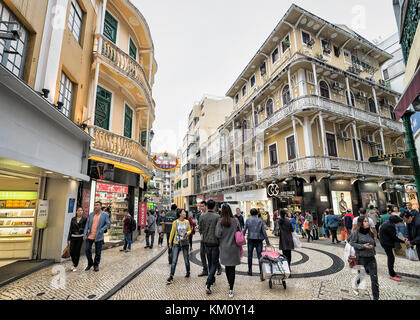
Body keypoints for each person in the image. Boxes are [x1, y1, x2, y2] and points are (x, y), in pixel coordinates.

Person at [349, 216, 379, 300]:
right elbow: (351, 242)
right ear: (361, 223)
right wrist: (363, 246)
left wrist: (371, 245)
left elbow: (373, 243)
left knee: (374, 279)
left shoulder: (370, 232)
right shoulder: (356, 233)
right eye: (365, 221)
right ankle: (355, 285)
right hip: (361, 258)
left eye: (368, 221)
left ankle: (376, 298)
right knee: (361, 276)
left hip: (372, 258)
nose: (368, 223)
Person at [215, 204, 241, 298]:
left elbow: (217, 234)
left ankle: (229, 284)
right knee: (232, 269)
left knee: (227, 268)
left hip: (224, 248)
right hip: (234, 248)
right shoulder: (235, 220)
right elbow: (239, 231)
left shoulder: (220, 221)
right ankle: (231, 289)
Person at [199, 199, 220, 294]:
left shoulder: (202, 217)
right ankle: (208, 283)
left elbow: (200, 230)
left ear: (207, 206)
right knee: (214, 263)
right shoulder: (217, 217)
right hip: (215, 243)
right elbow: (219, 231)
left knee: (210, 262)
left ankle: (213, 280)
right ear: (214, 206)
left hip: (206, 242)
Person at [243, 208, 271, 281]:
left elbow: (244, 230)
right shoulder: (260, 221)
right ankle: (261, 273)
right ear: (256, 213)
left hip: (250, 239)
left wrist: (241, 237)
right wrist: (267, 242)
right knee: (260, 257)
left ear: (250, 213)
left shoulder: (248, 220)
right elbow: (264, 232)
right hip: (259, 240)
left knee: (249, 255)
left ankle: (250, 270)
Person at [83, 201, 110, 272]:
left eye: (97, 205)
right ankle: (90, 263)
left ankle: (96, 265)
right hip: (90, 235)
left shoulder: (105, 214)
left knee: (98, 252)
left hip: (99, 236)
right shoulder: (91, 214)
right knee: (87, 250)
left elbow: (108, 223)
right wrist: (85, 234)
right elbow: (87, 225)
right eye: (95, 205)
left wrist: (102, 230)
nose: (96, 206)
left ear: (100, 206)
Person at [166, 209, 191, 285]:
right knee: (174, 260)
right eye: (183, 212)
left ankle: (188, 271)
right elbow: (172, 232)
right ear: (180, 214)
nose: (185, 213)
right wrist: (170, 242)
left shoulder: (187, 222)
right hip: (176, 242)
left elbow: (190, 230)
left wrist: (187, 233)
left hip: (185, 242)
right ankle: (171, 276)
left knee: (186, 259)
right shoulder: (175, 222)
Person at [379, 215, 407, 282]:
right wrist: (404, 241)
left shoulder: (387, 223)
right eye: (398, 223)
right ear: (394, 222)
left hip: (385, 241)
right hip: (386, 243)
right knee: (391, 258)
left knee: (391, 257)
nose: (398, 224)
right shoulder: (390, 226)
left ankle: (393, 273)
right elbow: (394, 238)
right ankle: (392, 275)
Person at [67, 207, 87, 272]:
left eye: (81, 210)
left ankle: (75, 265)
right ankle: (73, 262)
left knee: (77, 251)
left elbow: (86, 228)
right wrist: (68, 238)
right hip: (73, 236)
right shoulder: (73, 219)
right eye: (79, 210)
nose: (80, 211)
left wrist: (85, 234)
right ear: (76, 211)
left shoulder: (85, 219)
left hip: (80, 237)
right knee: (71, 251)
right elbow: (70, 229)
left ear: (82, 212)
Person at [198, 200, 209, 277]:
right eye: (200, 206)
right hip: (202, 237)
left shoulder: (209, 214)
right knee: (202, 253)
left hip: (209, 238)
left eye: (202, 206)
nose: (201, 208)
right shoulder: (201, 215)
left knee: (210, 254)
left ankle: (218, 267)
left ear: (206, 206)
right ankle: (205, 269)